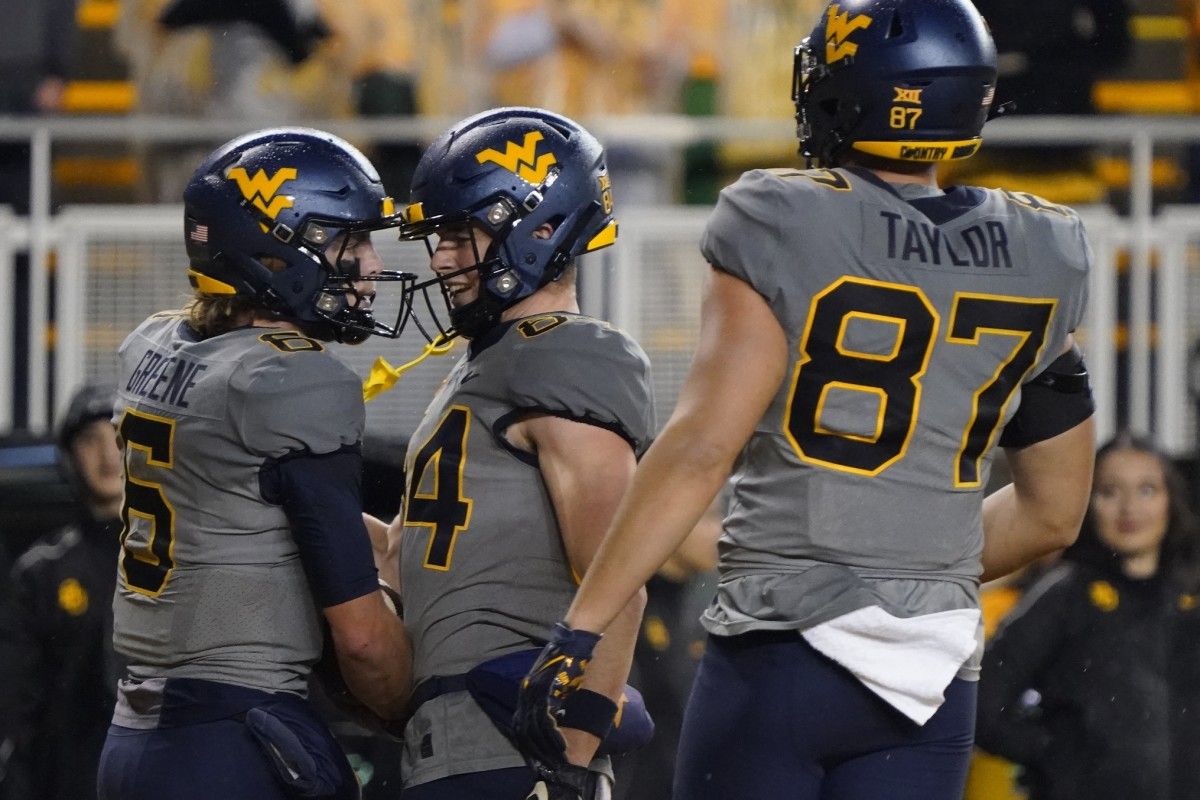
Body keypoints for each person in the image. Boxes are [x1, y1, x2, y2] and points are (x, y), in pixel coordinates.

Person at [513, 2, 1099, 798]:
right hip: (933, 677)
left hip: (781, 649)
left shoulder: (784, 216)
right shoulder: (1045, 250)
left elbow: (701, 447)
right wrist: (919, 568)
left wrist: (580, 628)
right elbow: (1054, 513)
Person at [95, 128, 414, 800]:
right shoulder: (288, 381)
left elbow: (240, 508)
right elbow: (360, 639)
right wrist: (436, 712)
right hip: (233, 741)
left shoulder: (160, 345)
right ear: (277, 249)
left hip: (132, 739)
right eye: (348, 241)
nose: (370, 264)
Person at [375, 106, 656, 800]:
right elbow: (420, 560)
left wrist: (575, 747)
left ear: (535, 227)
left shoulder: (565, 353)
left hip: (516, 746)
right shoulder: (489, 365)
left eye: (459, 234)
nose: (439, 258)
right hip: (449, 744)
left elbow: (617, 571)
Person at [975, 433, 1200, 800]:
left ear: (1171, 500)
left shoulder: (1190, 596)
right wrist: (1058, 755)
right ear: (1087, 502)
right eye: (1110, 491)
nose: (1129, 508)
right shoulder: (1065, 594)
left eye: (1147, 490)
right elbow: (983, 705)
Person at [0, 384, 123, 800]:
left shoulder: (185, 559)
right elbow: (17, 704)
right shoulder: (42, 572)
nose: (108, 456)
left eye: (119, 438)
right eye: (91, 440)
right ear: (69, 456)